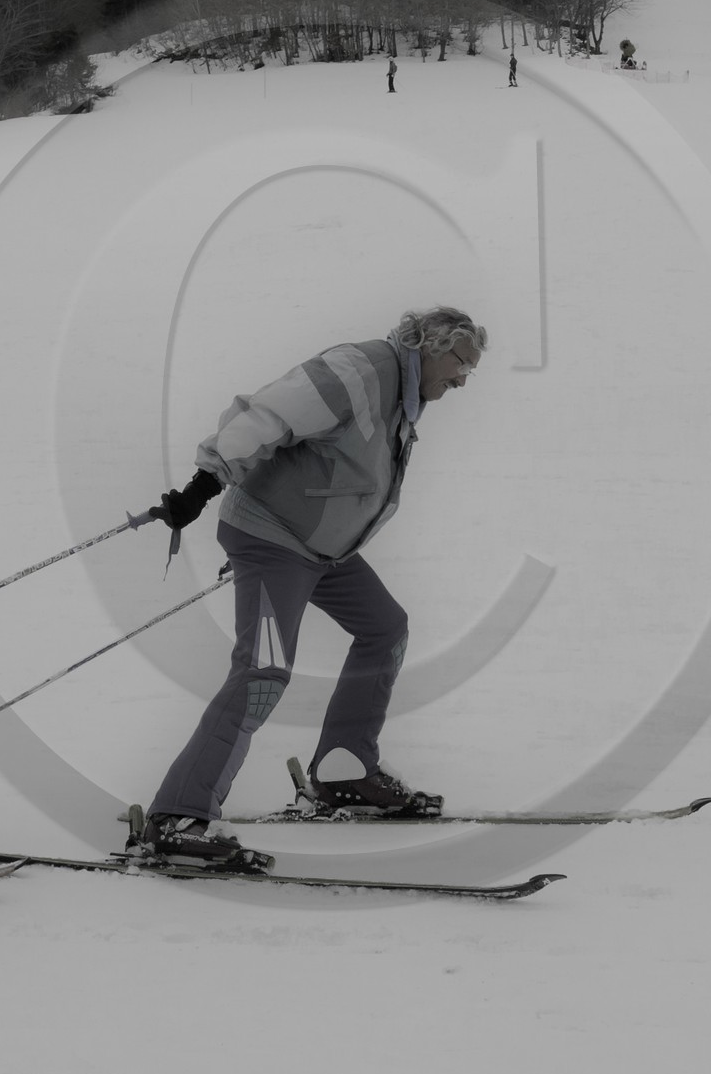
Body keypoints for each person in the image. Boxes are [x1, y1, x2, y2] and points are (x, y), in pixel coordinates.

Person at [138, 308, 487, 865]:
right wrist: (204, 485)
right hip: (272, 538)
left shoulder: (402, 394)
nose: (465, 377)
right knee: (263, 672)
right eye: (460, 362)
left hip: (324, 551)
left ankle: (345, 770)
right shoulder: (360, 371)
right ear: (428, 345)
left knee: (384, 628)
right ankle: (176, 816)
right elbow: (270, 414)